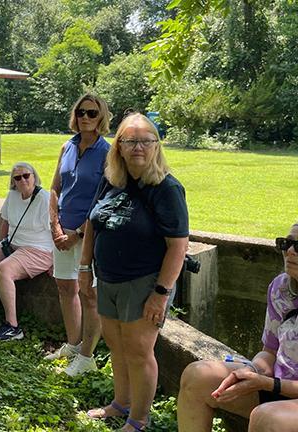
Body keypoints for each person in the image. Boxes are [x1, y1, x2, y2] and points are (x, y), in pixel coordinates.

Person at [79, 113, 189, 431]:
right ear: (119, 148)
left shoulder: (167, 188)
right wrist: (85, 269)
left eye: (145, 140)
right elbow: (92, 224)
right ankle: (120, 403)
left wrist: (161, 293)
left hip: (143, 282)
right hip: (108, 278)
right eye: (129, 140)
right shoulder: (112, 178)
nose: (137, 146)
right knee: (116, 344)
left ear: (156, 146)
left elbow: (178, 246)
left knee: (139, 351)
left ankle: (138, 420)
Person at [177, 223, 298, 431]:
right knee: (196, 376)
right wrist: (249, 372)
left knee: (266, 419)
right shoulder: (281, 288)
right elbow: (270, 352)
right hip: (276, 384)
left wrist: (267, 384)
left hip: (279, 388)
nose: (289, 251)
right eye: (286, 243)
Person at [46, 94, 112, 375]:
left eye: (92, 113)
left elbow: (106, 198)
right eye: (81, 112)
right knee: (65, 287)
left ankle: (86, 357)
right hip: (62, 231)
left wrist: (77, 233)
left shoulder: (108, 152)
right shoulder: (67, 147)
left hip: (89, 235)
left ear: (102, 117)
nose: (86, 117)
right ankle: (73, 344)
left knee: (89, 294)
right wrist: (55, 227)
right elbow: (54, 189)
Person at [0, 162, 54, 341]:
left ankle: (13, 326)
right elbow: (5, 223)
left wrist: (55, 261)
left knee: (3, 270)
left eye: (26, 176)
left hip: (38, 250)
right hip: (13, 245)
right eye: (17, 178)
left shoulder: (45, 199)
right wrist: (2, 244)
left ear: (34, 176)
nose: (23, 180)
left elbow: (55, 230)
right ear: (13, 181)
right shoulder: (12, 196)